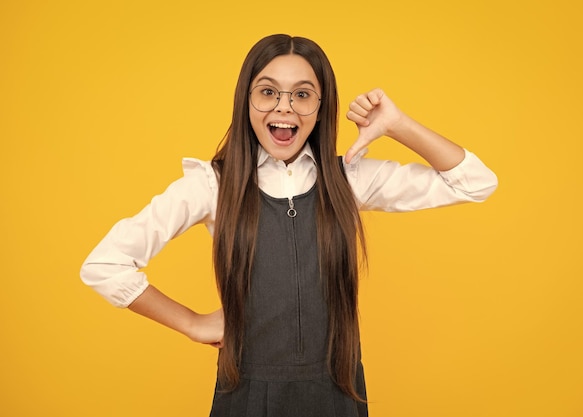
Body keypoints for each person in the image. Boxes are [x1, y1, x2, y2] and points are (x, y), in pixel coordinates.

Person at [80, 34, 498, 417]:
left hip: (337, 394)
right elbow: (105, 265)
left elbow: (476, 183)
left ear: (320, 107)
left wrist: (397, 124)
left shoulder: (349, 178)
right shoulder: (212, 185)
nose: (284, 107)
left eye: (302, 94)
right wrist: (191, 322)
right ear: (247, 101)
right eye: (268, 92)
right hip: (245, 397)